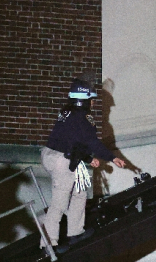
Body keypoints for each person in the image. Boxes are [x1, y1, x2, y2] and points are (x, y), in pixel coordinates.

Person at [42, 72, 126, 252]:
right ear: (84, 100)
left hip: (57, 155)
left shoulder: (67, 112)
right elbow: (91, 141)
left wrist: (88, 158)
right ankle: (49, 245)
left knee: (79, 192)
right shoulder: (83, 117)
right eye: (92, 99)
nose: (94, 103)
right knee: (59, 203)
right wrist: (113, 157)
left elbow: (73, 140)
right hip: (62, 159)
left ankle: (75, 232)